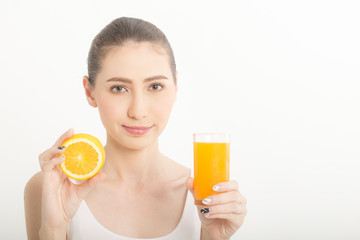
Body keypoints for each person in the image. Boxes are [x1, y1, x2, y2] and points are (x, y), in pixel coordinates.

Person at [24, 17, 247, 240]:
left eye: (155, 86)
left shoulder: (207, 197)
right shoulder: (51, 188)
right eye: (119, 88)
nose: (138, 111)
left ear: (176, 86)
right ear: (90, 92)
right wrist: (54, 228)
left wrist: (215, 237)